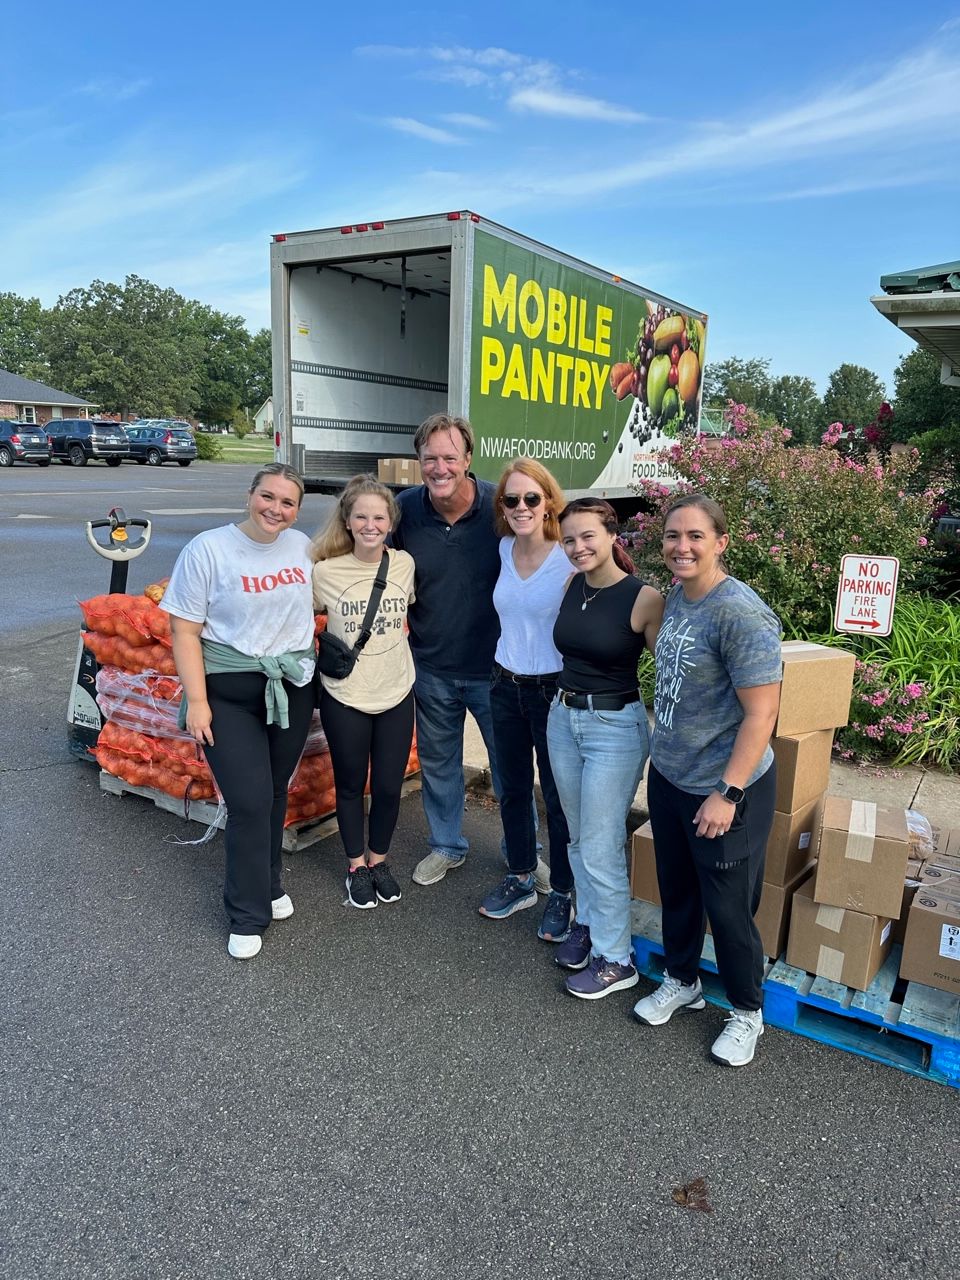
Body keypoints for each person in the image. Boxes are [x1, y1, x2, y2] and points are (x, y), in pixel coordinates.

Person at [633, 494, 782, 1068]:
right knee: (678, 891)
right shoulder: (677, 596)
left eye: (695, 536)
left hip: (724, 789)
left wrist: (728, 792)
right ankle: (682, 980)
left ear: (721, 541)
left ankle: (747, 1012)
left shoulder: (739, 613)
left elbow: (761, 715)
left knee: (728, 909)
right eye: (673, 536)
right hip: (672, 775)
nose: (681, 547)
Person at [163, 464, 316, 961]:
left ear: (298, 510)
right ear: (250, 495)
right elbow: (185, 631)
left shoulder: (302, 549)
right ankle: (248, 912)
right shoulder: (209, 549)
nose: (276, 509)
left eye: (287, 502)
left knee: (273, 792)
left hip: (288, 688)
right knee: (248, 800)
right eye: (267, 496)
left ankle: (269, 884)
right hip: (227, 693)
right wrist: (199, 701)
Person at [393, 413, 548, 891]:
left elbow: (548, 551)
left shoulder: (500, 509)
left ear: (467, 460)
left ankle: (523, 855)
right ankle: (446, 845)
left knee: (510, 771)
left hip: (496, 672)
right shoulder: (404, 510)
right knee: (440, 764)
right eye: (429, 459)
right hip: (432, 664)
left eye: (449, 458)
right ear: (418, 462)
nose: (439, 468)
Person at [546, 498, 664, 999]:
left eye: (587, 536)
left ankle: (617, 959)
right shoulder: (574, 585)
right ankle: (589, 926)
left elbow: (670, 672)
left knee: (599, 844)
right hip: (562, 717)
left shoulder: (644, 598)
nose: (577, 547)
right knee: (576, 838)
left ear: (613, 535)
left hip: (614, 727)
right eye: (569, 539)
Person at [478, 459, 574, 942]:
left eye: (531, 498)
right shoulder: (501, 548)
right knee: (511, 787)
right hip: (503, 683)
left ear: (549, 502)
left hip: (551, 690)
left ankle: (561, 889)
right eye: (511, 499)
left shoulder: (568, 556)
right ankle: (520, 877)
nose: (520, 507)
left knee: (556, 796)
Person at [311, 475, 416, 910]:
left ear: (390, 521)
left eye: (379, 516)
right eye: (361, 517)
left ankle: (379, 861)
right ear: (348, 522)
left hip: (396, 691)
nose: (371, 525)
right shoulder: (323, 572)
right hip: (345, 696)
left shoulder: (405, 564)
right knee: (351, 785)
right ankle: (356, 866)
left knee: (390, 787)